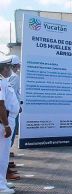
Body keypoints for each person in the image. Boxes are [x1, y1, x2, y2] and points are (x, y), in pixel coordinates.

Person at [0, 56, 21, 194]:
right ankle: (0, 186)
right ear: (4, 68)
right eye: (8, 67)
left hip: (8, 119)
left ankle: (2, 181)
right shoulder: (1, 82)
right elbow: (0, 105)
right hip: (4, 121)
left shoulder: (4, 81)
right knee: (2, 154)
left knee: (4, 154)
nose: (10, 70)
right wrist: (6, 125)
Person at [6, 55, 20, 159]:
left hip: (6, 109)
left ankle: (6, 151)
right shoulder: (14, 76)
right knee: (12, 130)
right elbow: (13, 94)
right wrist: (17, 106)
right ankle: (7, 151)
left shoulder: (6, 77)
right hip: (11, 110)